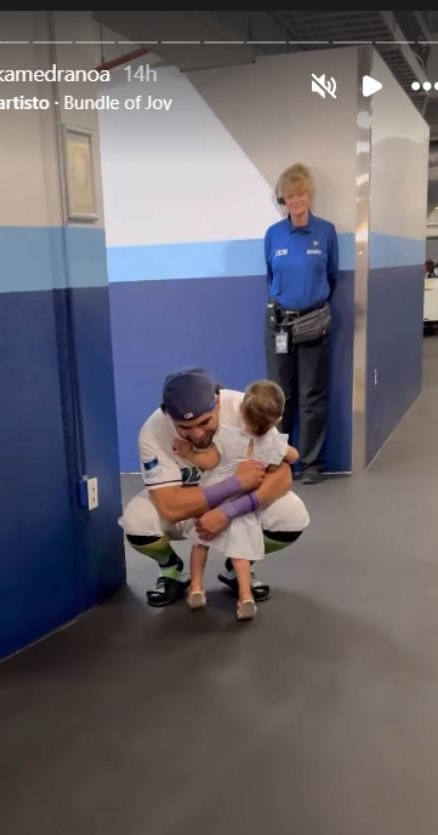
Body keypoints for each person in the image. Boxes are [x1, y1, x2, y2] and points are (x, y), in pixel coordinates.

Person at [119, 369, 310, 607]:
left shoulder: (247, 407)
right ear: (169, 416)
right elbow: (169, 507)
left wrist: (228, 511)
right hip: (188, 509)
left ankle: (239, 566)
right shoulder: (152, 432)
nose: (197, 434)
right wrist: (233, 484)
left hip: (238, 506)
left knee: (291, 516)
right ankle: (171, 571)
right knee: (136, 522)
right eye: (184, 427)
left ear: (218, 403)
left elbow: (282, 475)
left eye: (204, 422)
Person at [168, 380, 297, 620]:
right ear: (278, 419)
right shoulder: (274, 443)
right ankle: (245, 596)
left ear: (241, 412)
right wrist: (279, 449)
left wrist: (188, 453)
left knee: (200, 542)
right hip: (241, 505)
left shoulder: (227, 435)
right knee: (240, 552)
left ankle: (196, 587)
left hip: (215, 494)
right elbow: (294, 456)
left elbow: (209, 462)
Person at [264, 163, 339, 484]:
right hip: (279, 324)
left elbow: (332, 276)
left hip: (314, 323)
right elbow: (271, 276)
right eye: (289, 196)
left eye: (300, 194)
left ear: (310, 196)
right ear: (283, 199)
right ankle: (281, 462)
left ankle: (311, 464)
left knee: (312, 395)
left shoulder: (325, 232)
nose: (295, 200)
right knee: (280, 397)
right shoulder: (273, 234)